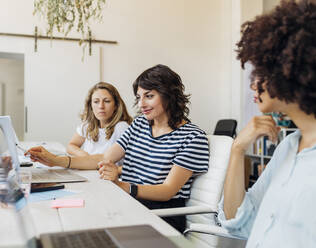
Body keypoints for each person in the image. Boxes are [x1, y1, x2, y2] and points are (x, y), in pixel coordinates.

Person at [28, 64, 210, 233]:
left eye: (149, 96)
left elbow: (167, 190)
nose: (141, 104)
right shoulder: (140, 124)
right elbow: (103, 158)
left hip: (161, 214)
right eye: (139, 97)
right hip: (129, 201)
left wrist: (122, 186)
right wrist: (55, 160)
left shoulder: (192, 137)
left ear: (169, 95)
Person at [218, 1, 316, 247]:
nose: (253, 83)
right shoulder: (289, 147)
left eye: (260, 71)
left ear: (291, 70)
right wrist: (237, 149)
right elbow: (236, 221)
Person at [66, 82, 132, 157]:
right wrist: (85, 156)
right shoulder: (87, 125)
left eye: (107, 101)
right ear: (90, 105)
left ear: (116, 106)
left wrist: (89, 160)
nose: (101, 106)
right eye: (96, 102)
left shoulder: (122, 127)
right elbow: (71, 146)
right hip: (89, 168)